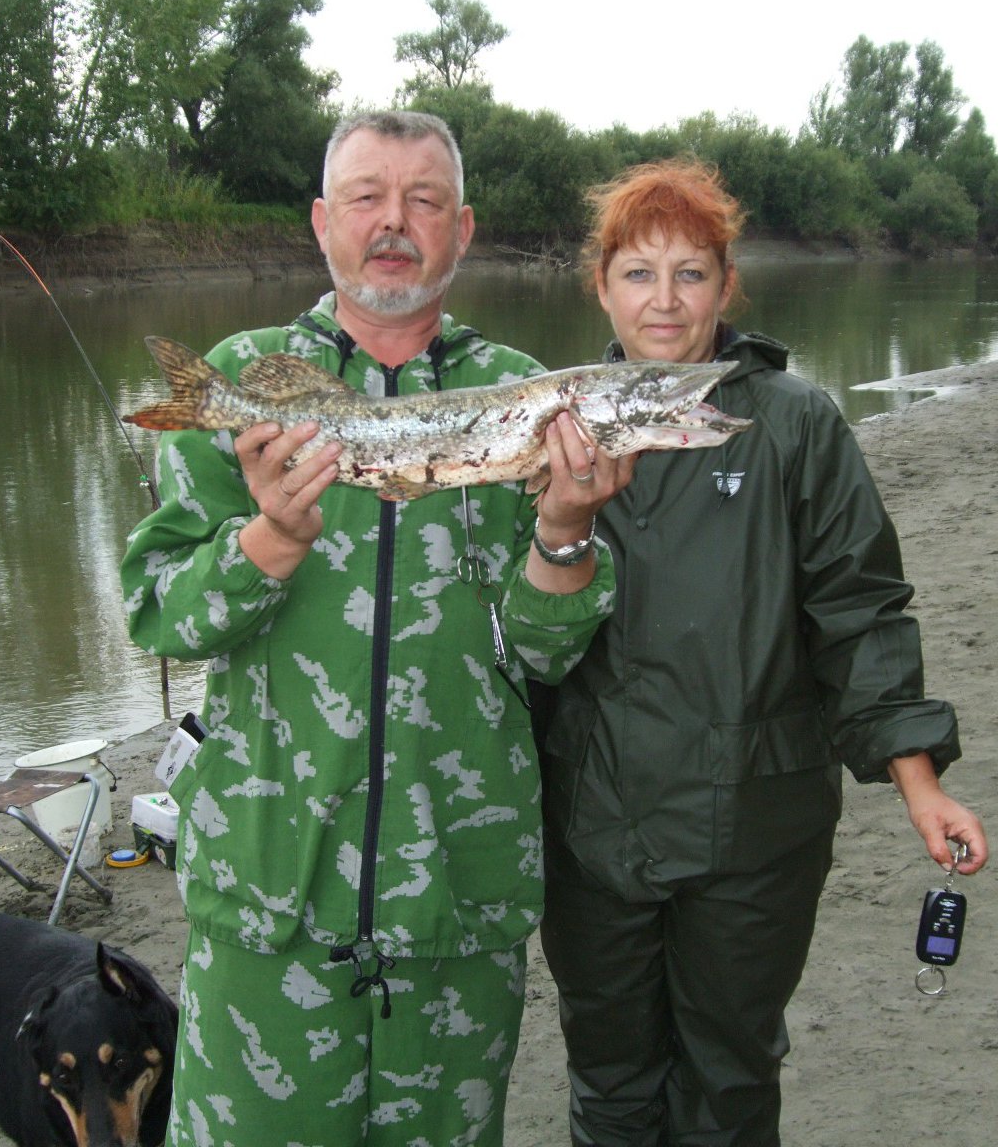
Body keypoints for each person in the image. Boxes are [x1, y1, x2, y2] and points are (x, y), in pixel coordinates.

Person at [120, 111, 634, 1147]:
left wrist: (569, 529)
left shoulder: (524, 393)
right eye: (366, 197)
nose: (392, 223)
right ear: (322, 221)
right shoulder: (252, 373)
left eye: (424, 201)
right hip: (270, 892)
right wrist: (269, 538)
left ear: (463, 228)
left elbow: (544, 650)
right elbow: (164, 613)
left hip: (457, 895)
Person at [536, 157, 989, 1147]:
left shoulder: (797, 424)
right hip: (593, 825)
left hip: (758, 824)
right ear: (601, 285)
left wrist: (919, 784)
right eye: (640, 272)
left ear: (727, 285)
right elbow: (510, 636)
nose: (665, 300)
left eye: (691, 272)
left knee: (730, 1080)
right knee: (610, 1080)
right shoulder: (545, 429)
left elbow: (861, 614)